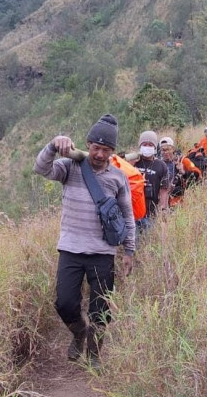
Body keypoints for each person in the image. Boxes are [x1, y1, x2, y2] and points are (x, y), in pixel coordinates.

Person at [33, 114, 135, 368]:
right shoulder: (70, 167)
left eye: (106, 150)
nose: (100, 154)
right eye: (96, 148)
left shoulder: (117, 178)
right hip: (70, 249)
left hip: (102, 252)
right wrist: (53, 145)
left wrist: (129, 251)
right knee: (65, 303)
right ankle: (79, 333)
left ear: (113, 151)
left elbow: (128, 215)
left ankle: (94, 354)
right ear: (88, 144)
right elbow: (41, 168)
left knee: (100, 308)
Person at [134, 130, 170, 231]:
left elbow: (164, 189)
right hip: (131, 213)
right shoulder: (133, 161)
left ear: (155, 147)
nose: (147, 147)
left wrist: (163, 209)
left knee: (147, 242)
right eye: (144, 144)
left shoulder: (161, 165)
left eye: (150, 144)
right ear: (140, 145)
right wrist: (131, 164)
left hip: (150, 213)